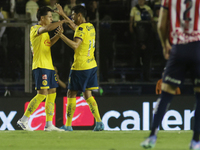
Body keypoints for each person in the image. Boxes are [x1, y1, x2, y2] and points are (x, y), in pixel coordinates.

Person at [141, 0, 200, 149]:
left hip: (178, 48)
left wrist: (164, 44)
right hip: (197, 48)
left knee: (166, 94)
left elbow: (161, 24)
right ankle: (195, 141)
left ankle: (152, 136)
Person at [17, 6, 68, 131]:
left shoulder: (44, 33)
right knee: (42, 94)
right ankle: (23, 120)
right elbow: (48, 27)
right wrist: (61, 21)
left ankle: (49, 124)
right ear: (42, 18)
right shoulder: (35, 29)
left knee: (52, 92)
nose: (51, 19)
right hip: (40, 66)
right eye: (50, 17)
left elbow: (48, 44)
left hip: (49, 66)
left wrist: (58, 35)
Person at [54, 4, 104, 131]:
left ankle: (68, 125)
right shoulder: (90, 26)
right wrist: (63, 15)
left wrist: (61, 36)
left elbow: (76, 45)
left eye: (73, 14)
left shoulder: (81, 29)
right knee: (88, 94)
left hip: (80, 67)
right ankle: (99, 122)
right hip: (91, 65)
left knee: (71, 93)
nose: (72, 16)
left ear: (79, 15)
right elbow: (76, 27)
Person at [129, 0, 154, 82]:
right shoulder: (134, 9)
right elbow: (131, 21)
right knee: (135, 58)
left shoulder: (148, 9)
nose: (141, 1)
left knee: (146, 58)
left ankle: (146, 77)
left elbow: (152, 21)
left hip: (147, 34)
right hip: (137, 34)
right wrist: (133, 33)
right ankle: (134, 76)